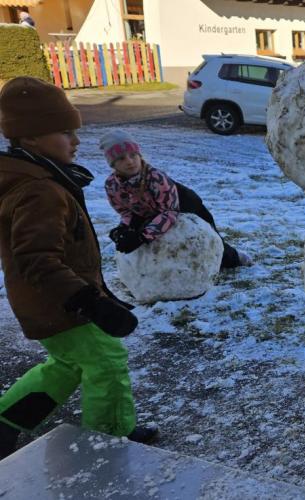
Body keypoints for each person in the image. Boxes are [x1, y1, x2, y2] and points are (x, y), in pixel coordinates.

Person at [0, 77, 157, 459]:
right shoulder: (40, 189)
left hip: (49, 301)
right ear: (32, 137)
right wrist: (91, 302)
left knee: (67, 365)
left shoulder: (37, 176)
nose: (76, 140)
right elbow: (37, 258)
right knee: (106, 361)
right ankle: (105, 444)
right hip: (62, 302)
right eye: (65, 132)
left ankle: (5, 423)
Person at [100, 130, 252, 269]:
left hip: (187, 207)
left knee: (210, 243)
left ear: (139, 155)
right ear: (112, 164)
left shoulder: (156, 178)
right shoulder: (112, 185)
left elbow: (169, 212)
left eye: (133, 155)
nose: (129, 161)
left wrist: (142, 236)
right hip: (152, 213)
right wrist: (124, 229)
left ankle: (236, 258)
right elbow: (126, 212)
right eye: (121, 158)